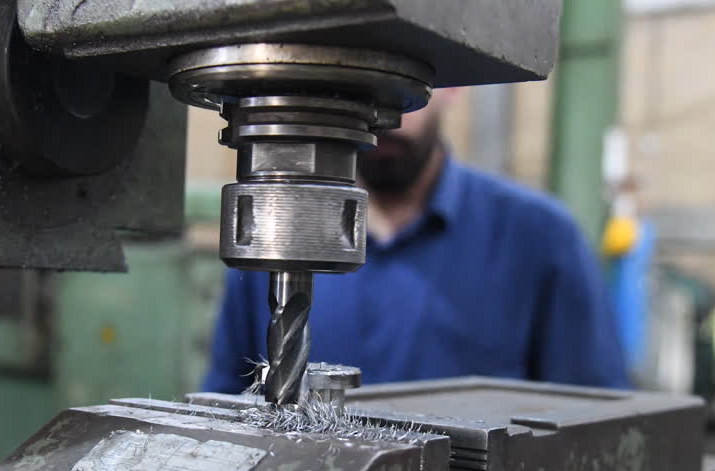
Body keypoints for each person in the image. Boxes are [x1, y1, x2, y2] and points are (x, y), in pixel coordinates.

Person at [201, 90, 630, 393]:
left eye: (408, 93)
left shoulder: (540, 238)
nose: (389, 115)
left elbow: (590, 421)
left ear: (454, 87)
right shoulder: (275, 238)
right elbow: (227, 395)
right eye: (365, 90)